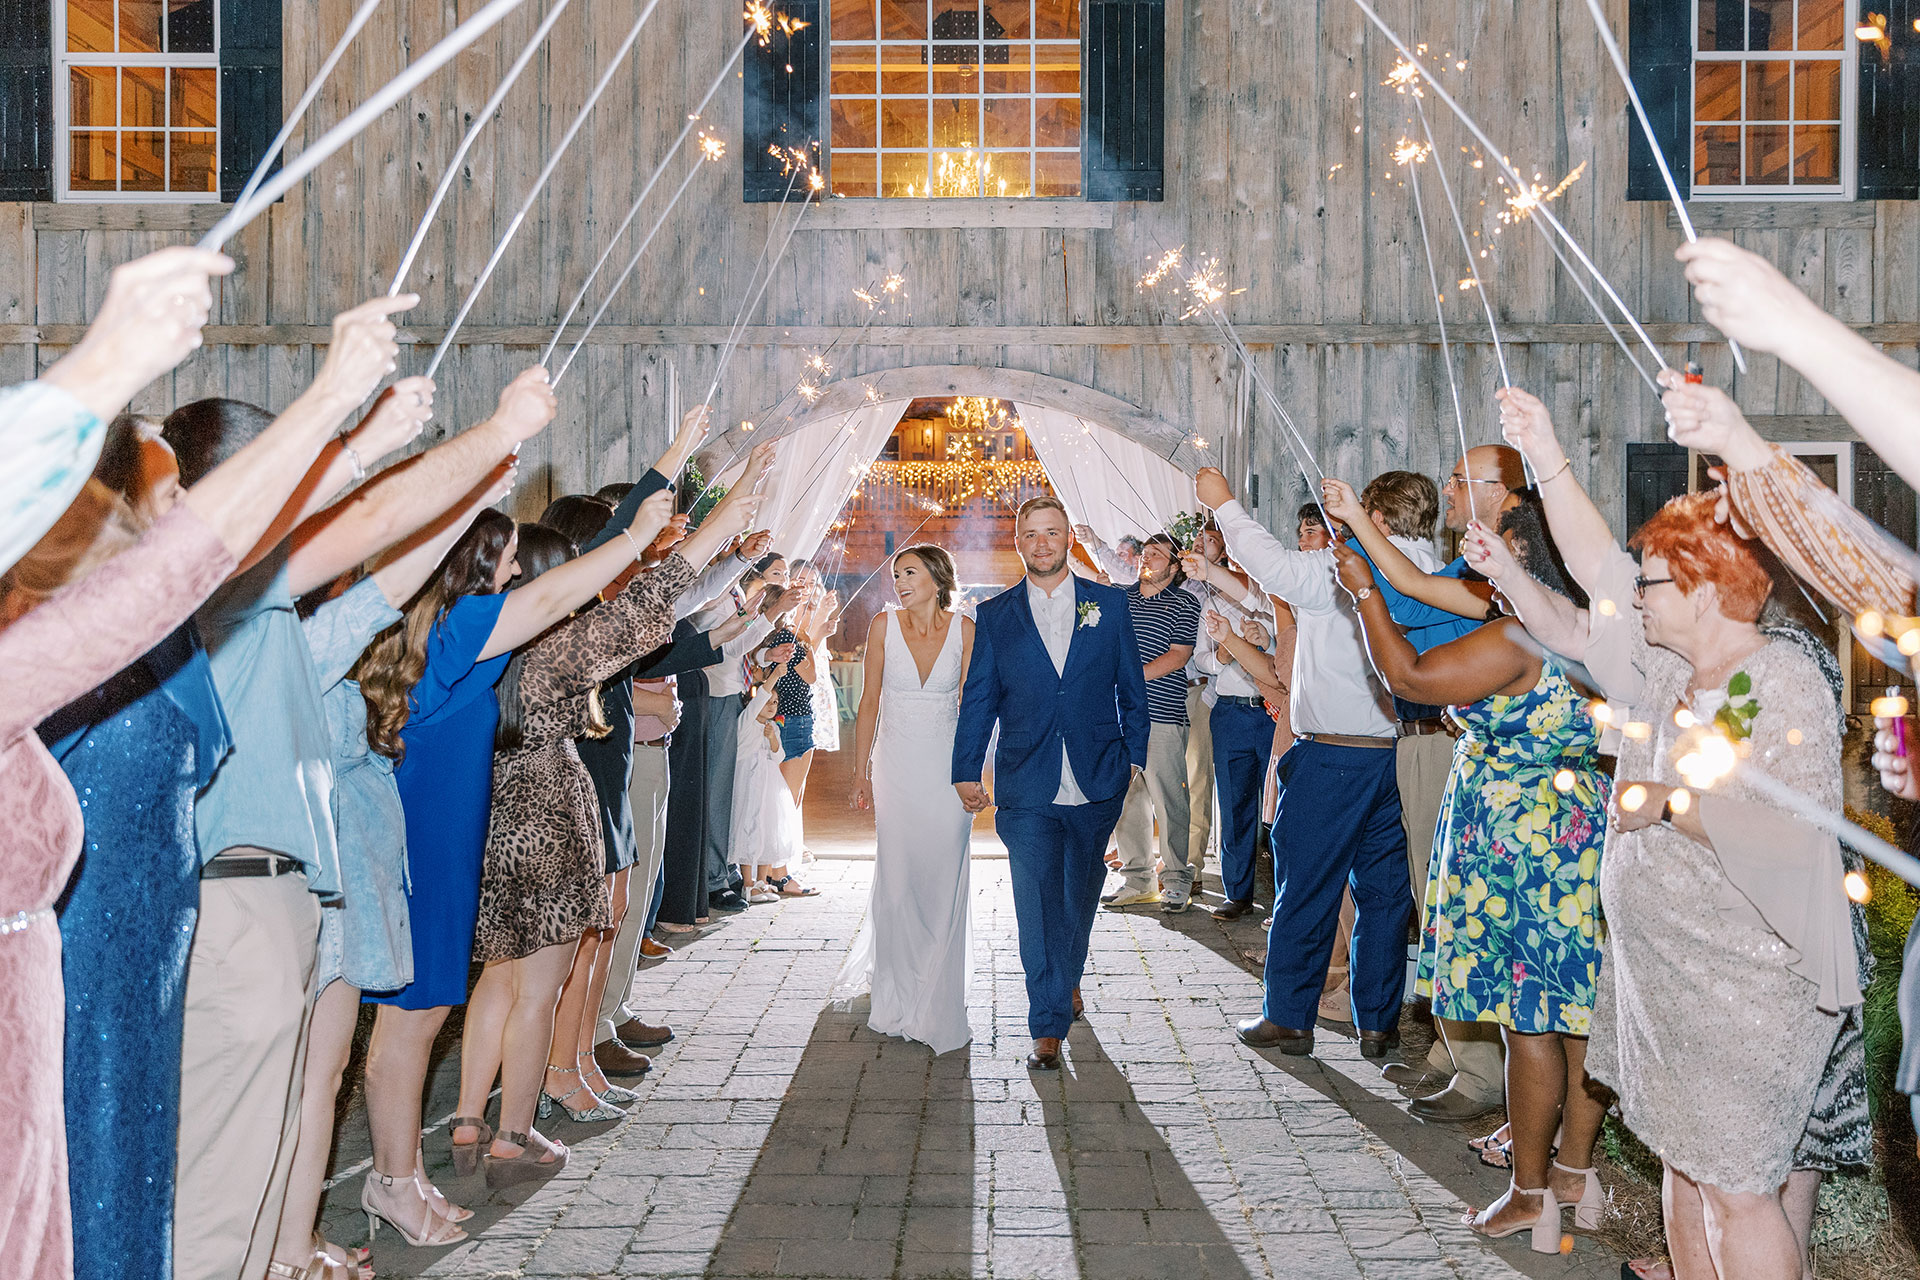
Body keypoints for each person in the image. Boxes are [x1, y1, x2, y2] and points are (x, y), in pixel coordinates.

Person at [0, 244, 418, 1280]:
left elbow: (203, 558)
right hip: (86, 966)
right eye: (165, 484)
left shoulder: (116, 629)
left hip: (122, 965)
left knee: (138, 1211)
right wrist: (328, 407)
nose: (182, 506)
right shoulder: (58, 636)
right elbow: (210, 555)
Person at [1502, 388, 1858, 1280]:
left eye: (1655, 581)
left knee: (1738, 1185)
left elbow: (1795, 833)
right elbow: (1597, 586)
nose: (1640, 597)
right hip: (1666, 983)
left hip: (1747, 988)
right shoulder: (1670, 671)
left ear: (1701, 588)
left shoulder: (1782, 682)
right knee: (1684, 1168)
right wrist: (1542, 454)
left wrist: (1663, 801)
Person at [355, 407, 706, 1241]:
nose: (520, 570)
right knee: (404, 1030)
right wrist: (640, 537)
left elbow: (565, 579)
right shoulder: (465, 632)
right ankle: (393, 1182)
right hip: (429, 853)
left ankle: (396, 1178)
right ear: (468, 567)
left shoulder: (436, 630)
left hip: (438, 846)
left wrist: (668, 468)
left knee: (416, 1022)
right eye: (507, 558)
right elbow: (565, 584)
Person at [1336, 496, 1609, 1254]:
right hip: (1576, 830)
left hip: (1514, 841)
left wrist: (1362, 593)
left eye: (1490, 547)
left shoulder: (1514, 638)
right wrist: (1359, 527)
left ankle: (1528, 1197)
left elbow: (1412, 676)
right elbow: (1426, 589)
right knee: (1578, 1009)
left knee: (1528, 1019)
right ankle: (1575, 1174)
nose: (1473, 556)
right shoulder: (1592, 627)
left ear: (1520, 556)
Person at [1322, 464, 1516, 1123]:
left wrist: (1360, 570)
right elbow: (1408, 590)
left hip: (1450, 736)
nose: (1449, 490)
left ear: (1501, 492)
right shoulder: (1469, 573)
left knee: (1451, 902)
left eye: (1463, 479)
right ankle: (1450, 1049)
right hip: (1433, 737)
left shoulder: (1501, 581)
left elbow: (1403, 603)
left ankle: (1480, 1071)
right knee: (1434, 898)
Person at [1195, 467, 1411, 1060]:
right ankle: (1377, 1022)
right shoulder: (1419, 570)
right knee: (1385, 893)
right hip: (1397, 752)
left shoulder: (1347, 564)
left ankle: (1289, 1014)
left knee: (1306, 887)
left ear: (1378, 518)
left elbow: (1274, 568)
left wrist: (1225, 504)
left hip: (1333, 755)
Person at [952, 496, 1149, 1070]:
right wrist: (967, 768)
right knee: (1036, 902)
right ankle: (1046, 1023)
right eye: (1031, 534)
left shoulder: (1109, 606)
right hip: (1026, 783)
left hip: (1097, 778)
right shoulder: (994, 616)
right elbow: (979, 700)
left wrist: (1134, 757)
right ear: (1018, 542)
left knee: (1079, 897)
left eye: (1053, 533)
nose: (1043, 543)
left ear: (1068, 539)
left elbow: (1131, 687)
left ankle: (1065, 980)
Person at [834, 544, 977, 1053]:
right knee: (896, 879)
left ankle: (937, 996)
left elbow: (974, 710)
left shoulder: (965, 631)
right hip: (895, 768)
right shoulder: (881, 627)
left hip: (945, 772)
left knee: (942, 877)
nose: (899, 582)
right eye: (896, 574)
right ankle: (895, 994)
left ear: (937, 578)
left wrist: (975, 773)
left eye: (909, 573)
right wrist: (861, 773)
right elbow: (868, 702)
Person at [1106, 533, 1202, 911]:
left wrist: (1130, 676)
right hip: (1119, 715)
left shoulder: (1185, 603)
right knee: (1127, 800)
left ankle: (1177, 879)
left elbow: (1178, 656)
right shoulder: (1117, 599)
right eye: (1145, 552)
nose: (1148, 558)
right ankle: (1137, 879)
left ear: (1175, 566)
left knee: (1169, 799)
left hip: (1162, 712)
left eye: (1158, 554)